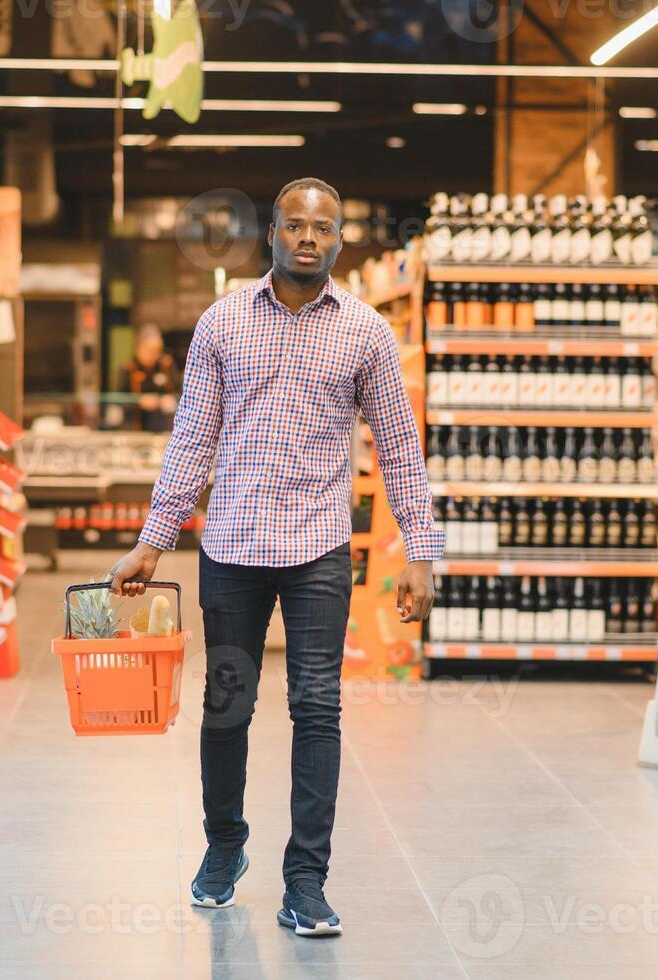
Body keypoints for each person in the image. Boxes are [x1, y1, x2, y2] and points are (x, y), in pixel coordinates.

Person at [108, 177, 441, 938]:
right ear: (271, 235)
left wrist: (419, 552)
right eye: (294, 225)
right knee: (227, 707)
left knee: (316, 708)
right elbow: (192, 438)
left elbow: (398, 444)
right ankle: (224, 848)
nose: (307, 238)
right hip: (229, 546)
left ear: (339, 240)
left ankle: (306, 881)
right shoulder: (222, 322)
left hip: (320, 548)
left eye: (322, 228)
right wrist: (152, 540)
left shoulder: (364, 332)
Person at [117, 323, 180, 432]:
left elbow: (180, 393)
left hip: (164, 426)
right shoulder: (128, 368)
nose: (154, 355)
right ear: (138, 348)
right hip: (134, 427)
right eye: (150, 350)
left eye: (157, 351)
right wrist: (139, 401)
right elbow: (118, 400)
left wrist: (170, 400)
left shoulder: (167, 365)